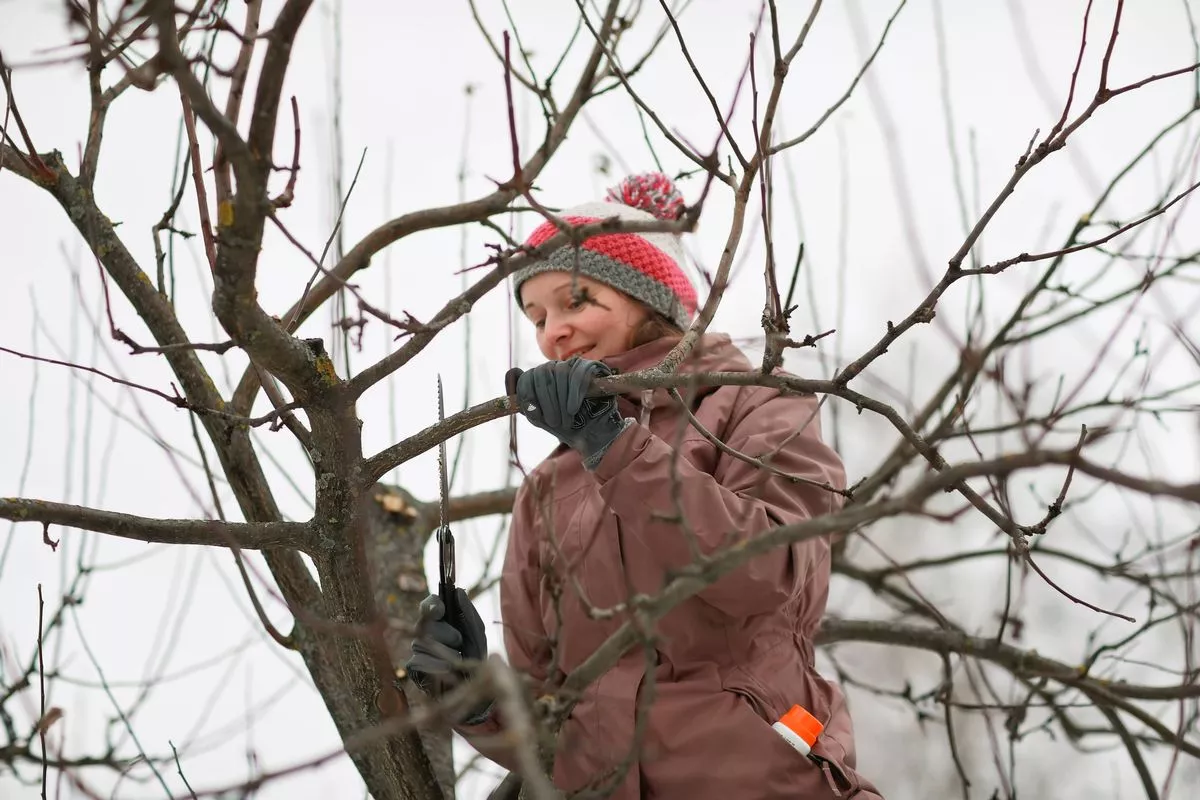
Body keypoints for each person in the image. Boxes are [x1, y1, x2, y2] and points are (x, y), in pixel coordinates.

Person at [405, 173, 882, 798]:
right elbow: (553, 719)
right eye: (538, 315)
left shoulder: (753, 403)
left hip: (760, 779)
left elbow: (772, 573)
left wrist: (615, 447)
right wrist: (474, 698)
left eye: (575, 301)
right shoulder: (546, 488)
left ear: (649, 301)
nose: (553, 332)